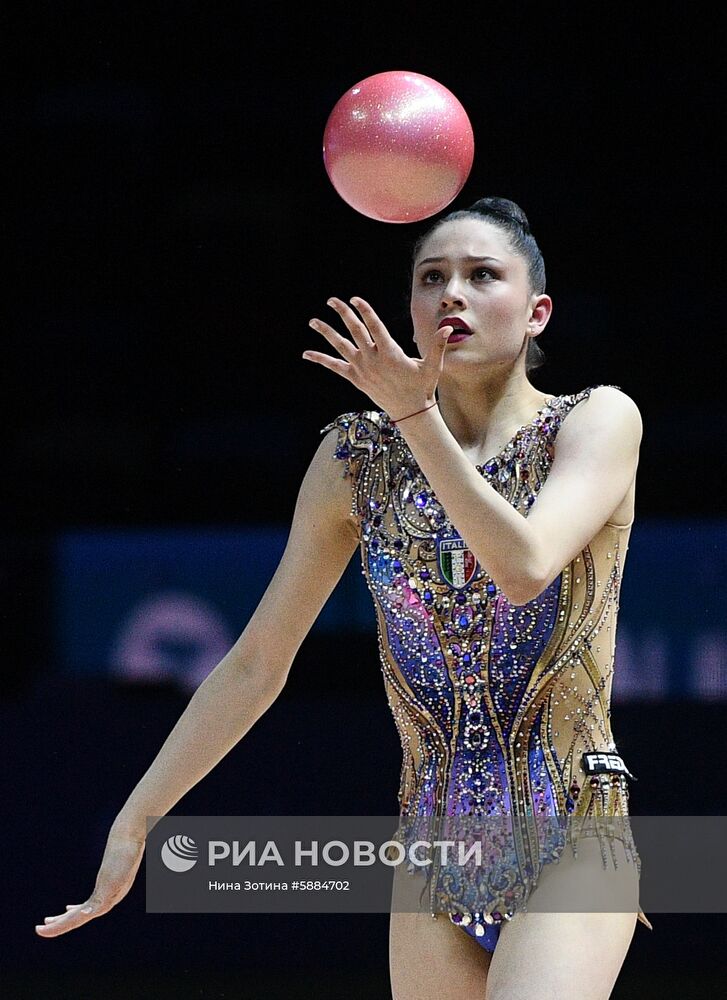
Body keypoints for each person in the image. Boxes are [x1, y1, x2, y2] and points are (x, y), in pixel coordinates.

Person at [36, 196, 651, 999]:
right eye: (431, 277)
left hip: (575, 823)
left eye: (480, 275)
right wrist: (141, 816)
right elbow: (257, 662)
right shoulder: (355, 458)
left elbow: (525, 564)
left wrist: (412, 413)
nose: (450, 295)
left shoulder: (596, 421)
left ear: (536, 312)